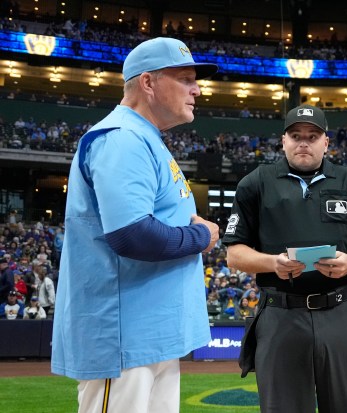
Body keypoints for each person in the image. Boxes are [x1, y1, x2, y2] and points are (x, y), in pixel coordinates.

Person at [51, 37, 220, 413]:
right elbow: (132, 234)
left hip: (150, 333)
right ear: (148, 83)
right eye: (185, 79)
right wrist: (201, 235)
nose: (197, 89)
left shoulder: (146, 138)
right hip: (122, 337)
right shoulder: (123, 138)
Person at [222, 103, 347, 413]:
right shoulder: (256, 183)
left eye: (312, 136)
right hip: (279, 312)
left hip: (341, 309)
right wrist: (272, 263)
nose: (304, 142)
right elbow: (234, 254)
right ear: (283, 140)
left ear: (326, 142)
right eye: (296, 135)